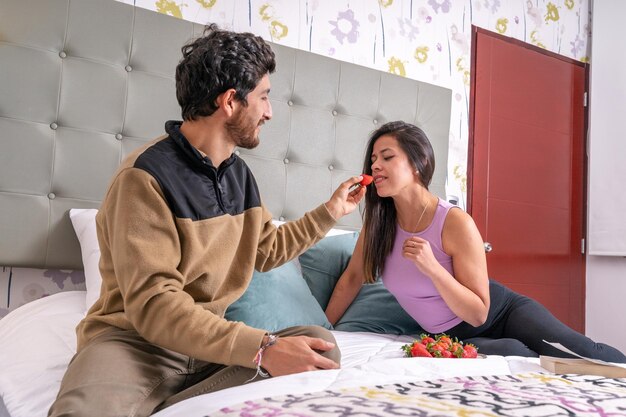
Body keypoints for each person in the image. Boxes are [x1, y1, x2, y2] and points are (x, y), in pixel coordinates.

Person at [48, 24, 366, 417]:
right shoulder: (144, 178)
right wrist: (262, 348)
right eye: (264, 97)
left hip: (210, 348)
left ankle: (171, 407)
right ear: (230, 101)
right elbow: (155, 306)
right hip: (138, 344)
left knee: (318, 345)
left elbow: (265, 251)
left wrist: (331, 211)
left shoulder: (239, 176)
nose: (269, 112)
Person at [325, 120, 626, 363]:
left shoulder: (454, 222)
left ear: (417, 163)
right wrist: (325, 330)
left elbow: (479, 312)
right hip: (458, 336)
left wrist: (433, 268)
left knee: (582, 353)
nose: (375, 165)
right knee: (524, 360)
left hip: (502, 312)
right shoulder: (379, 225)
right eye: (373, 159)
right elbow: (351, 279)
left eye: (387, 157)